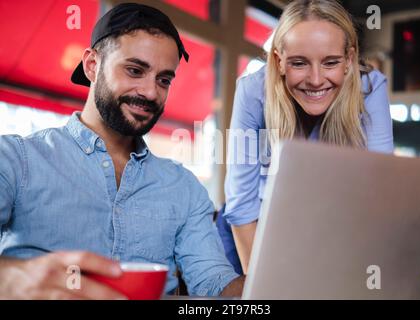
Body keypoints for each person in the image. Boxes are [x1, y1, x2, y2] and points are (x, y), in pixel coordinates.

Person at [0, 3, 243, 299]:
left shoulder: (184, 188)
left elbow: (215, 286)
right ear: (92, 65)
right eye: (134, 70)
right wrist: (11, 277)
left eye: (164, 79)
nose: (151, 92)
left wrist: (274, 279)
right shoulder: (16, 160)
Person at [221, 0, 394, 274]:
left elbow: (381, 193)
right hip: (254, 226)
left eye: (331, 62)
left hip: (328, 227)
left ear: (349, 60)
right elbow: (241, 203)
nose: (315, 80)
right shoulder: (253, 91)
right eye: (299, 63)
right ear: (278, 61)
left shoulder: (370, 89)